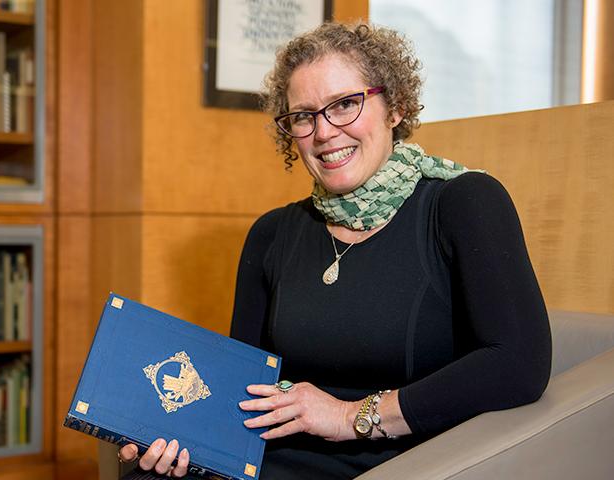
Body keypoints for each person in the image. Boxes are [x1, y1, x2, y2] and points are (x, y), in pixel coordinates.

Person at [118, 21, 551, 479]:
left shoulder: (464, 202)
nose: (324, 132)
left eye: (345, 104)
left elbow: (518, 364)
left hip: (403, 462)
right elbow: (245, 388)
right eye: (304, 116)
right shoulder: (272, 234)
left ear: (396, 107)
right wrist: (176, 431)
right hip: (272, 458)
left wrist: (349, 417)